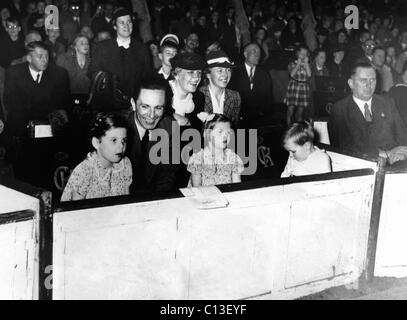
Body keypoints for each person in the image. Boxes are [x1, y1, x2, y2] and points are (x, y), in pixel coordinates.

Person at [328, 62, 407, 165]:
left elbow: (403, 134)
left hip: (396, 163)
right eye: (363, 80)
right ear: (351, 83)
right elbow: (346, 149)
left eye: (372, 80)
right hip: (362, 166)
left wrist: (403, 154)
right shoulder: (340, 110)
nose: (368, 85)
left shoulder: (387, 103)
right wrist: (387, 154)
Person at [3, 41, 70, 140]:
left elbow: (62, 103)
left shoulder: (59, 74)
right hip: (21, 125)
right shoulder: (13, 73)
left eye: (47, 56)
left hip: (48, 122)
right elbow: (10, 102)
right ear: (29, 58)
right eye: (40, 57)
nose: (45, 60)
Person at [89, 7, 151, 112]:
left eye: (129, 22)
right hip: (108, 106)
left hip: (134, 106)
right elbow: (91, 72)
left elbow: (147, 76)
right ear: (114, 26)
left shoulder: (141, 49)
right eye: (121, 23)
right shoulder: (103, 48)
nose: (126, 26)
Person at [61, 112, 132, 201]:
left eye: (124, 140)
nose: (121, 146)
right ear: (96, 143)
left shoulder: (125, 164)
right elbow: (75, 212)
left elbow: (125, 202)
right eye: (114, 140)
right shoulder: (85, 171)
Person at [126, 76, 179, 194]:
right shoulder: (118, 127)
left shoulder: (171, 127)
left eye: (158, 108)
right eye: (145, 106)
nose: (151, 115)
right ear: (133, 104)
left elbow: (168, 174)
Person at [187, 114, 244, 187]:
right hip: (204, 196)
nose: (225, 136)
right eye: (220, 132)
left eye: (228, 132)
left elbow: (236, 187)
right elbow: (197, 188)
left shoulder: (233, 158)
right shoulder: (198, 159)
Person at [228, 43, 273, 129]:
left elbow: (268, 99)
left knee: (253, 141)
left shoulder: (264, 74)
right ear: (245, 54)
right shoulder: (235, 72)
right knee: (240, 141)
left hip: (257, 120)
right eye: (254, 51)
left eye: (259, 52)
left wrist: (263, 115)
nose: (257, 55)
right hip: (237, 119)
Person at [199, 50, 241, 128]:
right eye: (220, 70)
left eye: (228, 70)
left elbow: (235, 127)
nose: (225, 75)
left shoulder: (235, 96)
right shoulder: (198, 95)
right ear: (208, 74)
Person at [167, 52, 206, 129]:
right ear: (176, 74)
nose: (197, 78)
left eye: (199, 72)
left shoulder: (199, 98)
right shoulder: (162, 92)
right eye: (191, 72)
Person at [284, 46, 312, 127]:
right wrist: (298, 64)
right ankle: (288, 127)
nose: (303, 55)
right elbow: (292, 75)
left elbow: (309, 74)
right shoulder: (292, 63)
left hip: (303, 88)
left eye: (305, 54)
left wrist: (306, 63)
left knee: (300, 111)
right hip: (294, 87)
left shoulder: (308, 64)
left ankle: (297, 128)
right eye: (301, 53)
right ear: (297, 54)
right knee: (290, 110)